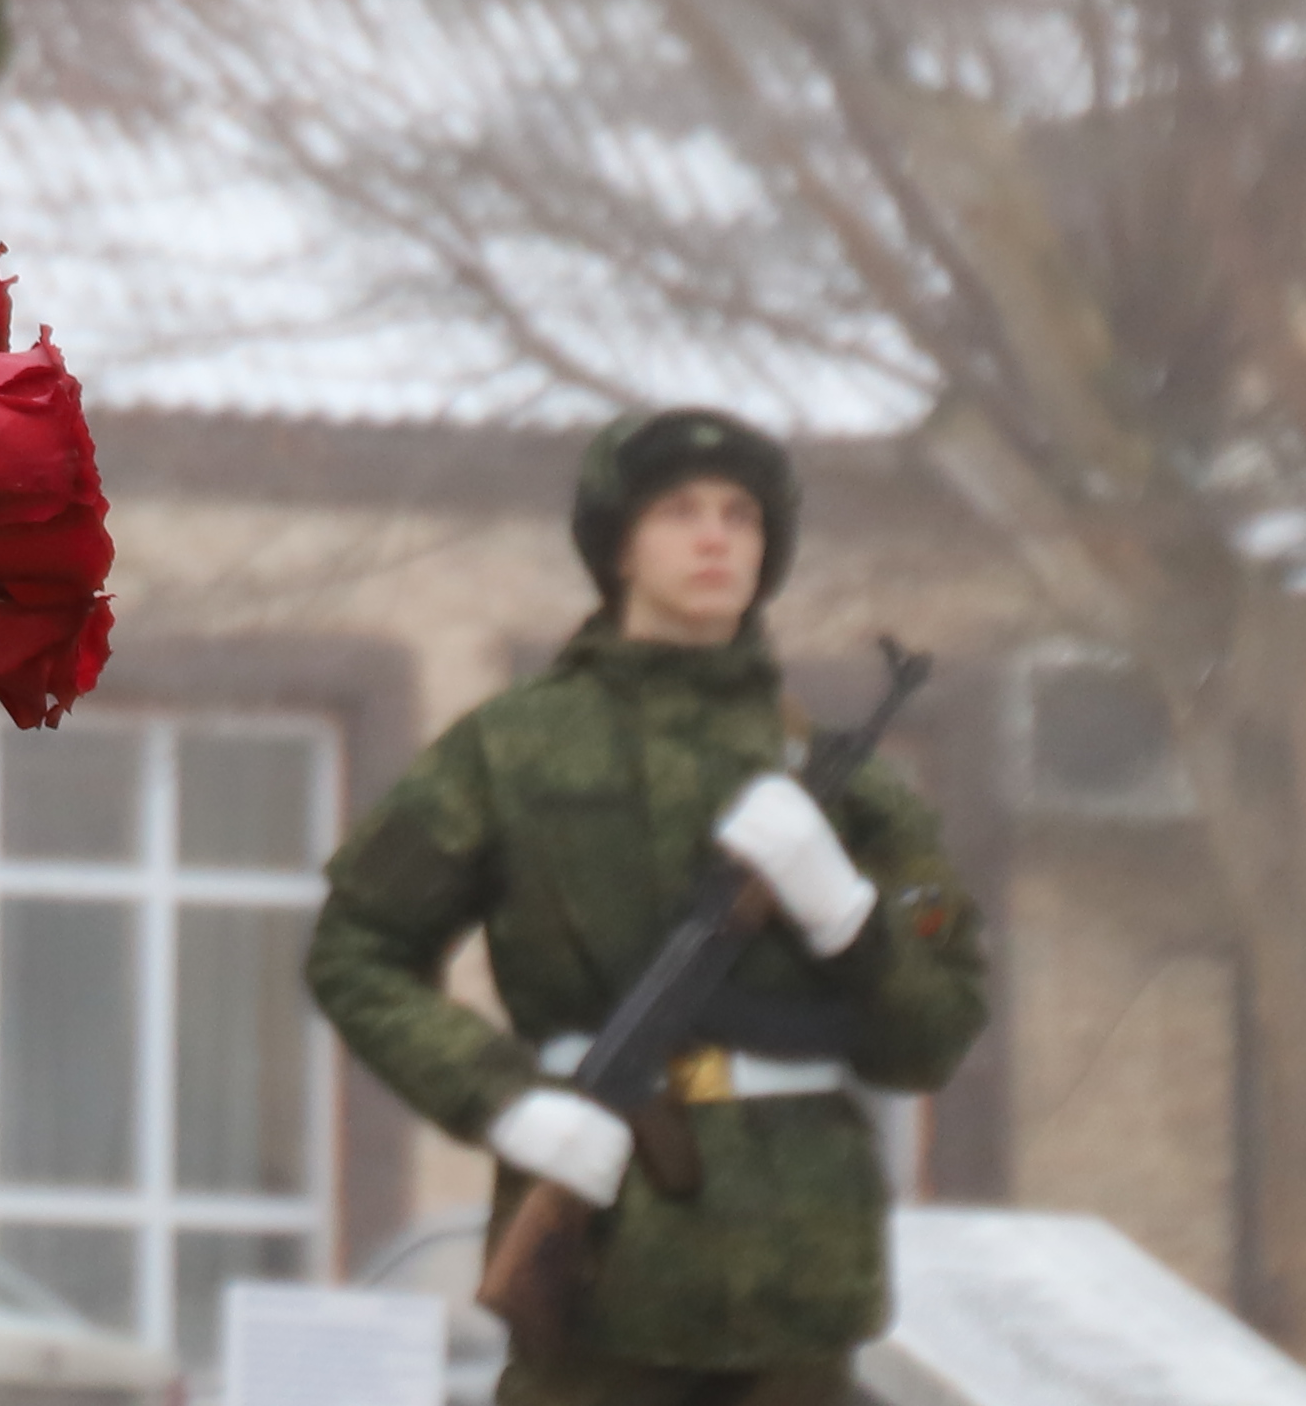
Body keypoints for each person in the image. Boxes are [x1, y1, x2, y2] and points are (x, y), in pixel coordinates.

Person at [305, 408, 990, 1406]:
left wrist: (845, 912)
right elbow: (356, 949)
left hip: (799, 1279)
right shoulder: (511, 750)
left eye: (741, 515)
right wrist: (506, 1099)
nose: (716, 536)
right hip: (606, 1266)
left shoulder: (850, 786)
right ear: (618, 543)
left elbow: (930, 1038)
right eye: (678, 510)